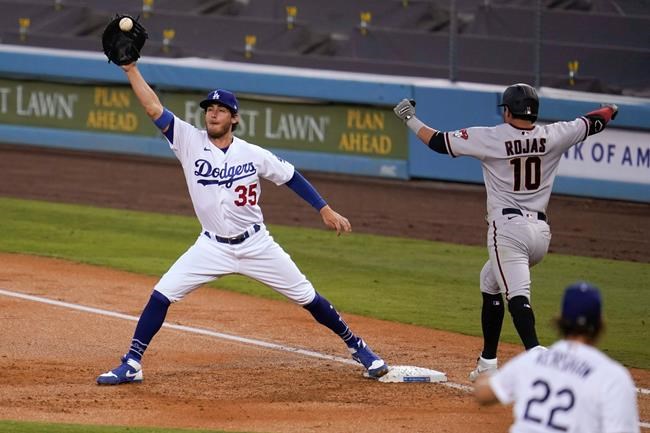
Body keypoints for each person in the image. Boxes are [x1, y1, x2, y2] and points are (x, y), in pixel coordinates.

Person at [96, 61, 389, 384]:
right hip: (210, 246)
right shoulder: (188, 141)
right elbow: (153, 108)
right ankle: (132, 363)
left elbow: (291, 177)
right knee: (161, 294)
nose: (213, 113)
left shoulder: (252, 153)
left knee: (308, 297)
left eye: (221, 109)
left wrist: (324, 208)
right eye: (210, 108)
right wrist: (130, 69)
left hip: (256, 244)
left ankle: (359, 347)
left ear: (234, 118)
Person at [393, 84, 618, 381]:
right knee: (490, 281)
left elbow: (437, 142)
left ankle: (539, 356)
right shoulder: (555, 133)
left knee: (518, 297)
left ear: (508, 111)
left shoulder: (491, 137)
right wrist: (612, 109)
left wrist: (409, 118)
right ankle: (487, 362)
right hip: (540, 235)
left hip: (508, 232)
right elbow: (594, 121)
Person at [474, 282, 640, 433]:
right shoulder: (612, 376)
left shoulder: (533, 360)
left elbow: (483, 394)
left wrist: (485, 376)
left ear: (561, 319)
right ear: (599, 324)